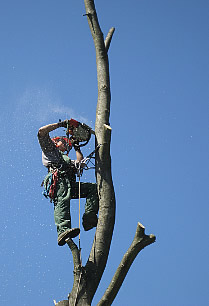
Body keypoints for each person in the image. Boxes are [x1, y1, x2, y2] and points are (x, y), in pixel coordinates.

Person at [38, 120, 99, 246]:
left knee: (93, 189)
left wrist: (77, 147)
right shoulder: (50, 150)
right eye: (63, 141)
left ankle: (89, 218)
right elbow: (41, 132)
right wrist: (61, 124)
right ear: (55, 142)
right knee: (62, 202)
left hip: (69, 185)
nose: (67, 144)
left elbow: (80, 164)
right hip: (58, 181)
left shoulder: (66, 160)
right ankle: (63, 231)